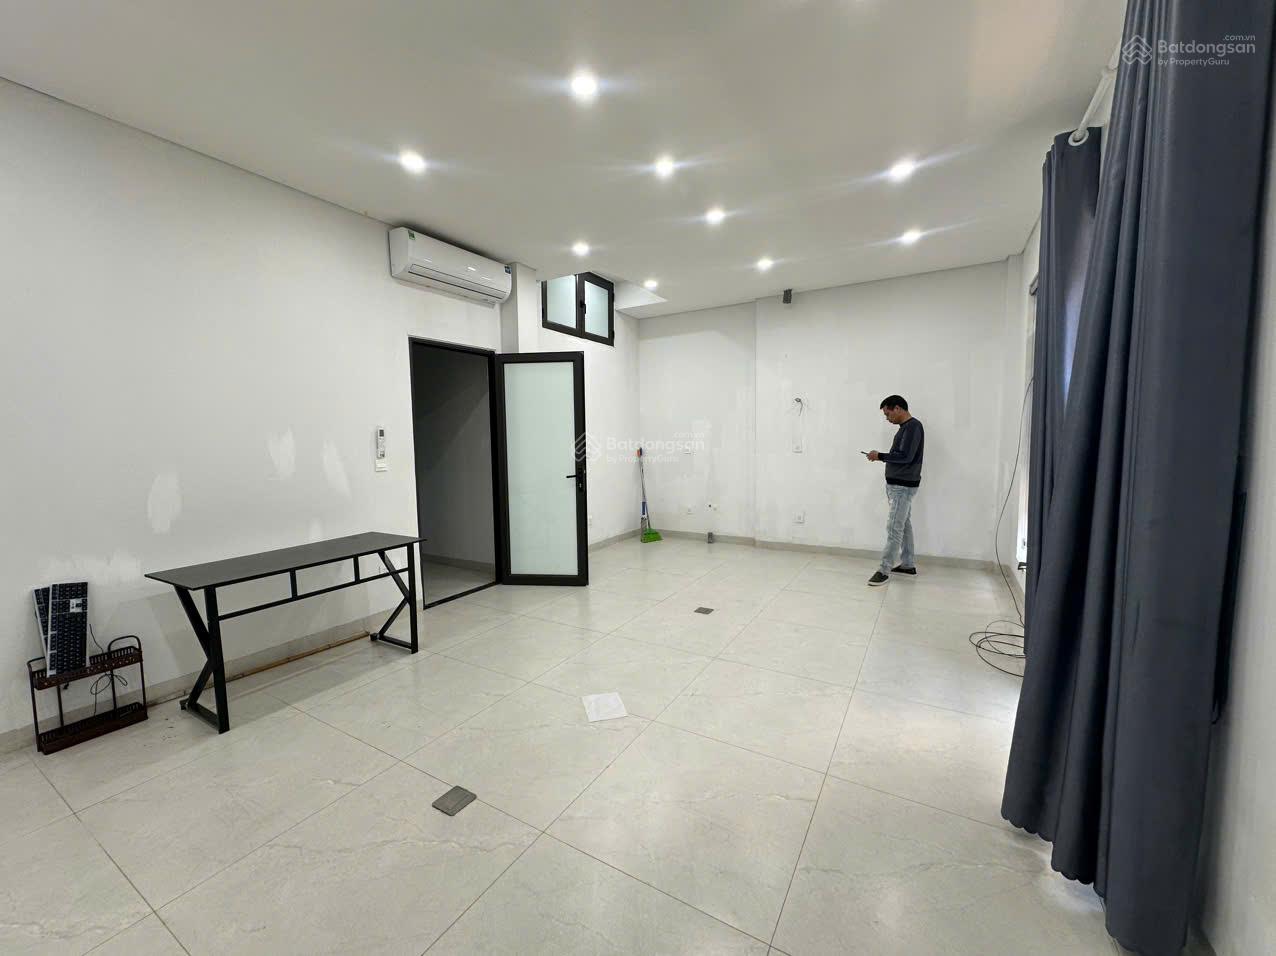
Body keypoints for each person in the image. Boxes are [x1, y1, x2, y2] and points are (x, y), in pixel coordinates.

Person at [865, 395, 924, 586]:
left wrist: (880, 456)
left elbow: (905, 456)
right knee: (904, 525)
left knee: (894, 528)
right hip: (899, 485)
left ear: (897, 408)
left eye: (888, 413)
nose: (887, 418)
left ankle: (884, 570)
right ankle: (908, 564)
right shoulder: (906, 428)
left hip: (902, 487)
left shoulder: (913, 427)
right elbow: (902, 455)